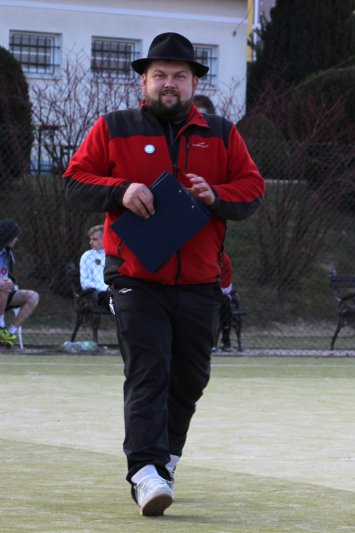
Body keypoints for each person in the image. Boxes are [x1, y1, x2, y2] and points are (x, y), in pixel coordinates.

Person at [62, 32, 264, 516]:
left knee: (190, 378)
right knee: (148, 371)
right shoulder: (113, 127)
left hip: (200, 281)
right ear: (144, 81)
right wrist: (121, 190)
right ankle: (145, 472)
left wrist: (216, 195)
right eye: (159, 75)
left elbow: (253, 189)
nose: (168, 83)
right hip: (135, 279)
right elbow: (74, 180)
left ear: (194, 82)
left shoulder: (223, 133)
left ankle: (166, 459)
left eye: (179, 75)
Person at [0, 220, 40, 346]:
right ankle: (0, 326)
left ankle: (10, 333)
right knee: (4, 284)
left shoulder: (9, 253)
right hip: (2, 289)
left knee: (33, 296)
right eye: (15, 236)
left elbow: (9, 275)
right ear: (8, 236)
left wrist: (11, 282)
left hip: (4, 293)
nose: (16, 239)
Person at [79, 225, 110, 308]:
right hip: (98, 294)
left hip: (114, 291)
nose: (90, 242)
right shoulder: (87, 256)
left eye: (94, 239)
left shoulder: (111, 254)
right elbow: (85, 282)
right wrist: (105, 288)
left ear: (105, 239)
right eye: (90, 239)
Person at [215, 251, 235, 352]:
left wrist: (220, 291)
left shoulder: (224, 259)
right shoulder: (205, 257)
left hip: (222, 293)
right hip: (206, 293)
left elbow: (227, 280)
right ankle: (212, 342)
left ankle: (226, 342)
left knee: (226, 307)